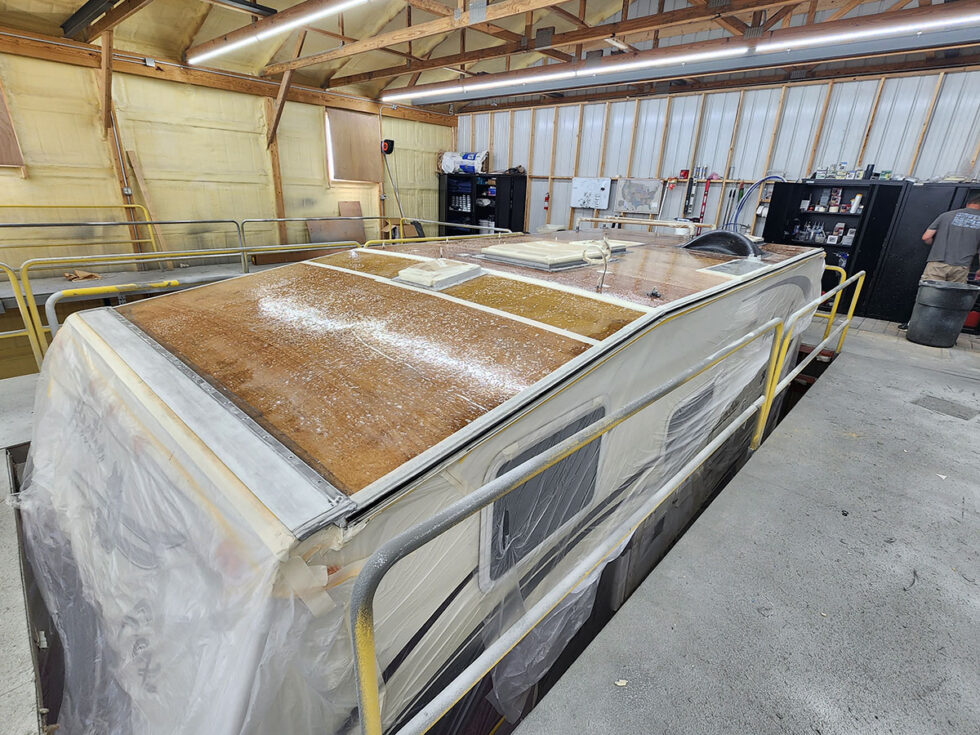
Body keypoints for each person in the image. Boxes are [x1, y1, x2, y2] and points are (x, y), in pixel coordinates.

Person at [899, 194, 980, 329]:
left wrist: (936, 246)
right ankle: (941, 329)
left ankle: (915, 325)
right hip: (962, 267)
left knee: (927, 295)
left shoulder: (947, 215)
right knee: (952, 300)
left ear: (968, 203)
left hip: (937, 262)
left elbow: (926, 237)